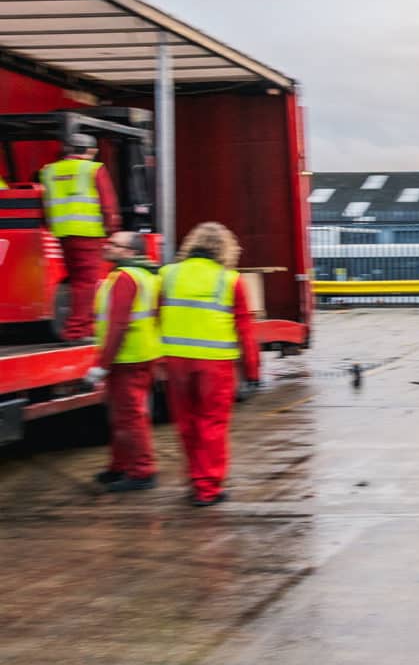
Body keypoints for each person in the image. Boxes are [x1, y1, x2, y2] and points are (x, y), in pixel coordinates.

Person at [158, 222, 260, 507]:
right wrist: (252, 372)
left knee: (187, 424)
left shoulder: (167, 275)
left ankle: (195, 479)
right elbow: (245, 331)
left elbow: (155, 316)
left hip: (176, 362)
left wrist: (157, 358)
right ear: (225, 249)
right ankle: (208, 488)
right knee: (212, 425)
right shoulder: (229, 280)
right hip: (215, 365)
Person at [87, 231, 162, 492]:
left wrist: (101, 364)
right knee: (122, 415)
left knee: (129, 416)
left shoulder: (125, 278)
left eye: (115, 245)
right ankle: (119, 466)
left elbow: (118, 324)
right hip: (140, 353)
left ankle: (142, 471)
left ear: (130, 252)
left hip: (126, 357)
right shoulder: (147, 275)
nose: (108, 246)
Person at [39, 133, 122, 341]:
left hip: (63, 234)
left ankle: (87, 326)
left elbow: (46, 206)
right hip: (89, 234)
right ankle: (77, 330)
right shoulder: (93, 169)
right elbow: (108, 204)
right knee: (87, 283)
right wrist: (112, 230)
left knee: (78, 282)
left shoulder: (49, 171)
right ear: (90, 151)